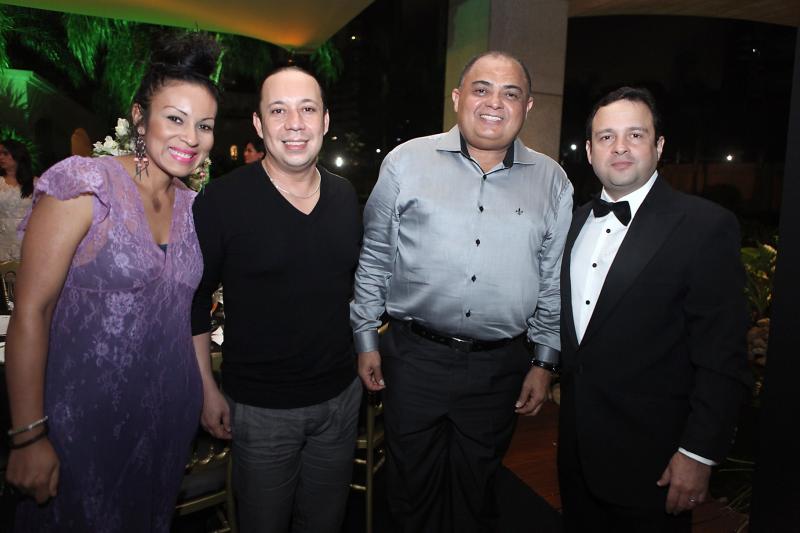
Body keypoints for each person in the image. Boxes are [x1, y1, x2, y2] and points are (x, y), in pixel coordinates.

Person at [4, 32, 220, 532]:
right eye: (175, 118)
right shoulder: (86, 185)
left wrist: (207, 391)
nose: (192, 137)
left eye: (205, 125)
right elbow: (32, 311)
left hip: (167, 420)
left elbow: (184, 314)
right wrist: (28, 434)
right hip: (80, 421)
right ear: (140, 118)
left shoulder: (195, 209)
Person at [351, 51, 573, 532]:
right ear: (457, 97)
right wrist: (366, 337)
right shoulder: (405, 162)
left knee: (477, 490)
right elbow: (375, 256)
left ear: (528, 106)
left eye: (510, 93)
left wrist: (544, 362)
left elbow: (553, 279)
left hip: (500, 367)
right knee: (410, 491)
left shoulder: (552, 181)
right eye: (481, 89)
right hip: (414, 359)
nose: (494, 102)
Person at [557, 87, 751, 532]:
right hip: (576, 455)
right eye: (606, 137)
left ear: (659, 146)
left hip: (655, 464)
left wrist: (698, 453)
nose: (620, 147)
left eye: (635, 134)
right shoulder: (574, 222)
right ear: (589, 150)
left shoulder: (705, 227)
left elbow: (722, 357)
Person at [191, 65, 362, 533]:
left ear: (325, 120)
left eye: (307, 109)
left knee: (325, 522)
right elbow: (194, 302)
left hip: (340, 400)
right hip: (261, 410)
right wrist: (206, 388)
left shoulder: (344, 196)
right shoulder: (221, 201)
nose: (295, 124)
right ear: (258, 123)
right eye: (279, 110)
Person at [0, 139, 34, 262]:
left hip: (28, 240)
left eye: (5, 153)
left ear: (18, 154)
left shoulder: (36, 183)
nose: (1, 157)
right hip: (3, 240)